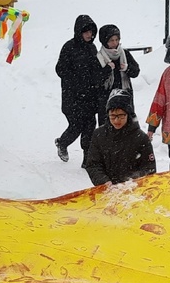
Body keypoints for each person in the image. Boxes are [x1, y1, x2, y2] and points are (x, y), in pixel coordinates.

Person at [55, 15, 106, 163]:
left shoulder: (92, 48)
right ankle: (62, 143)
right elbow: (60, 69)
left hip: (89, 96)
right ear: (79, 32)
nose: (89, 35)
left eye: (91, 32)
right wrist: (75, 80)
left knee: (90, 127)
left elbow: (95, 68)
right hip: (72, 97)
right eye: (86, 32)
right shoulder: (69, 47)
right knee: (76, 125)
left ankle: (87, 159)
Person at [85, 89, 156, 186]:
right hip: (107, 191)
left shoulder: (141, 138)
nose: (116, 120)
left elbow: (149, 168)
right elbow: (93, 164)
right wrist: (104, 181)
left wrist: (132, 182)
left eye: (121, 116)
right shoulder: (99, 135)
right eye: (113, 116)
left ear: (128, 114)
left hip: (133, 191)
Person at [96, 24, 141, 122]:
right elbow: (96, 79)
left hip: (125, 98)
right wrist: (107, 69)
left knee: (127, 129)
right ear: (105, 41)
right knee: (108, 131)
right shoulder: (99, 57)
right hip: (106, 100)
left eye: (117, 39)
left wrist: (127, 68)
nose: (115, 43)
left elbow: (136, 71)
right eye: (111, 40)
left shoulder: (124, 53)